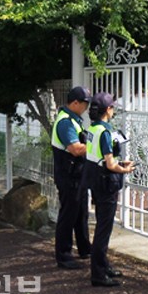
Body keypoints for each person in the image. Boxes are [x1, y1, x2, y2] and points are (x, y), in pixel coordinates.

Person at [83, 92, 136, 287]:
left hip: (95, 179)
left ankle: (104, 266)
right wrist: (125, 168)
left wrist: (118, 162)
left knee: (102, 226)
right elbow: (110, 164)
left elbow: (99, 158)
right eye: (112, 107)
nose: (114, 109)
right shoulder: (104, 132)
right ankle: (98, 274)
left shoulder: (93, 128)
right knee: (103, 230)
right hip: (106, 183)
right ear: (107, 110)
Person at [51, 86, 93, 269]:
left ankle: (85, 248)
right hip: (69, 176)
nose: (86, 107)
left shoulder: (74, 120)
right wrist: (96, 145)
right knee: (68, 215)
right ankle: (64, 255)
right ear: (75, 103)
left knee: (81, 213)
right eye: (85, 104)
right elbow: (75, 149)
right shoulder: (66, 122)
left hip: (77, 175)